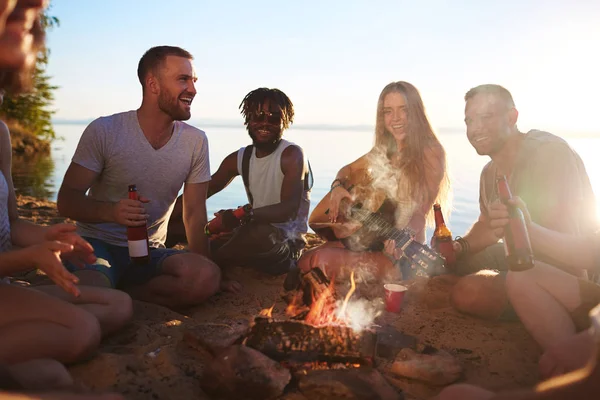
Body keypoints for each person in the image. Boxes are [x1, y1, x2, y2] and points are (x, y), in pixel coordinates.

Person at [0, 0, 131, 396]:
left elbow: (12, 226)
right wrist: (27, 260)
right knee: (80, 330)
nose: (39, 3)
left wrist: (48, 241)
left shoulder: (1, 134)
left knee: (117, 305)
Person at [56, 45, 220, 308]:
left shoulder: (196, 141)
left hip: (151, 252)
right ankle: (110, 288)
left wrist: (210, 272)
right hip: (96, 245)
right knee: (91, 292)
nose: (193, 89)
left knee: (205, 277)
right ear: (153, 84)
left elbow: (194, 214)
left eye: (194, 80)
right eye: (183, 79)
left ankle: (124, 292)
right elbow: (66, 201)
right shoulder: (105, 131)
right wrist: (112, 212)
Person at [448, 84, 597, 320]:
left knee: (471, 291)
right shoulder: (489, 172)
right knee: (445, 267)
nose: (475, 128)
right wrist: (458, 248)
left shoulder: (549, 154)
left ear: (512, 117)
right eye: (469, 121)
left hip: (567, 270)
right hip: (521, 256)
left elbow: (578, 258)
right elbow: (487, 226)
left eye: (486, 117)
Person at [297, 81, 450, 282]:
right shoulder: (384, 150)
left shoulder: (431, 152)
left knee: (318, 259)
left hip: (400, 255)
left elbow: (421, 211)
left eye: (403, 109)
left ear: (416, 111)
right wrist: (337, 187)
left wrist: (404, 238)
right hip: (370, 238)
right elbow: (348, 170)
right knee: (304, 260)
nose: (396, 118)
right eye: (388, 111)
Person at [167, 87, 311, 292]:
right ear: (248, 119)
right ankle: (159, 257)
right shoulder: (239, 158)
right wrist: (162, 217)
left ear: (285, 122)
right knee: (177, 219)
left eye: (274, 117)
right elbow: (199, 195)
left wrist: (240, 216)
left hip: (283, 246)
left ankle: (209, 265)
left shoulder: (293, 155)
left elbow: (287, 210)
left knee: (258, 232)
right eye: (258, 116)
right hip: (245, 234)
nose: (265, 122)